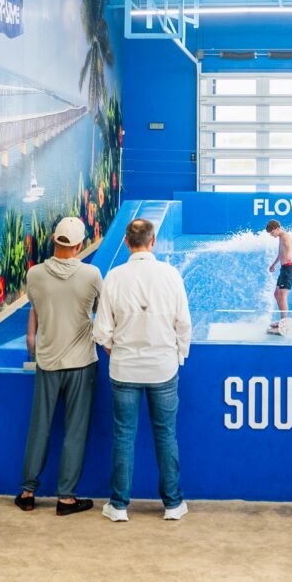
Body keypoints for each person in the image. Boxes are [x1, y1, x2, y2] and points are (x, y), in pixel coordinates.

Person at [94, 219, 192, 523]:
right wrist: (178, 356)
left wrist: (115, 348)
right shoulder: (171, 275)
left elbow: (101, 330)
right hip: (163, 368)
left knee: (123, 436)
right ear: (154, 242)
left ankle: (119, 506)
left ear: (126, 243)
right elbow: (184, 324)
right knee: (166, 435)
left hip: (124, 370)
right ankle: (173, 504)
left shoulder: (114, 276)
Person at [15, 216, 102, 516]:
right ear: (79, 245)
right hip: (81, 363)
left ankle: (27, 492)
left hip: (48, 362)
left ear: (54, 240)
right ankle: (66, 498)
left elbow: (36, 312)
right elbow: (100, 315)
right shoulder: (92, 275)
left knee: (39, 427)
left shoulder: (34, 275)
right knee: (74, 431)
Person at [266, 219, 292, 336]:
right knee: (276, 294)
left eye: (272, 233)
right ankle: (282, 320)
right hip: (284, 269)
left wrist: (286, 261)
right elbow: (281, 253)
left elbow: (288, 253)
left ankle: (284, 325)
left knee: (282, 296)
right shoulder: (280, 237)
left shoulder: (285, 237)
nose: (272, 235)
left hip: (289, 269)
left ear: (277, 228)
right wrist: (274, 264)